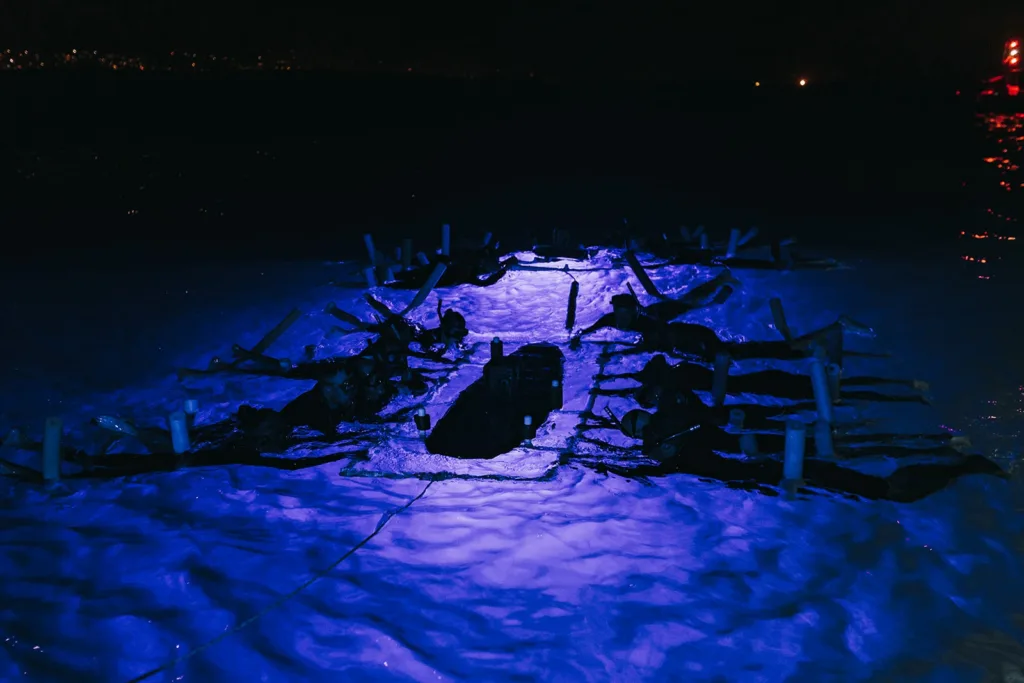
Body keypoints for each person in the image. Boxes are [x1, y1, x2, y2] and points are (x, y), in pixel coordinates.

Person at [605, 406, 1007, 503]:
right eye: (640, 435)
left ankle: (962, 467)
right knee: (874, 489)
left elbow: (715, 436)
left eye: (643, 428)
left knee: (882, 490)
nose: (648, 437)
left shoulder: (684, 442)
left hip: (779, 470)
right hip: (774, 475)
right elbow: (646, 469)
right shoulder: (672, 456)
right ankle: (957, 468)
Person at [571, 270, 739, 345]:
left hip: (661, 313)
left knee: (691, 304)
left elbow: (661, 331)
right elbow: (589, 330)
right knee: (688, 300)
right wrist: (577, 338)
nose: (621, 318)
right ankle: (720, 278)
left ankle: (720, 279)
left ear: (633, 312)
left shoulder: (645, 323)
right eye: (618, 312)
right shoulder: (609, 319)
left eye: (624, 313)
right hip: (652, 313)